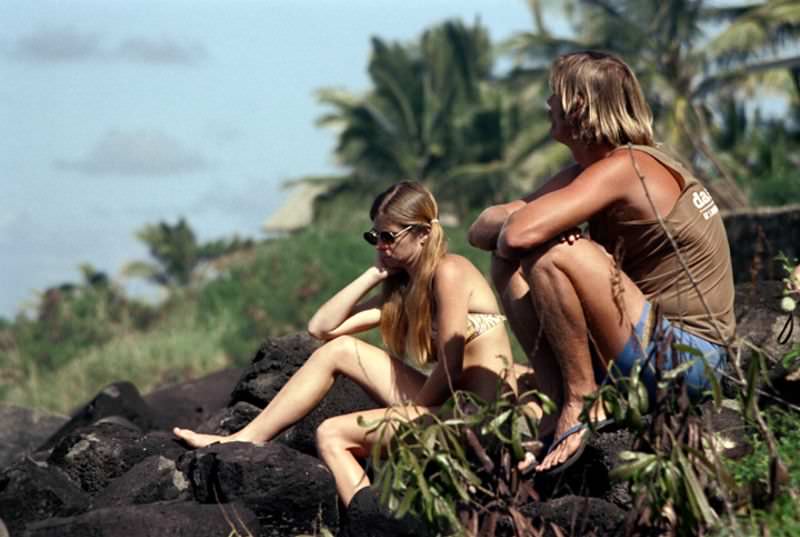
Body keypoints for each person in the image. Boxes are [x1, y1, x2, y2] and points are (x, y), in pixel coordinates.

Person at [468, 51, 736, 474]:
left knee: (555, 254)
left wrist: (539, 229)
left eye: (554, 95)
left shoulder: (627, 167)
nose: (547, 104)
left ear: (578, 106)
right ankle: (560, 403)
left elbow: (517, 232)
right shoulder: (593, 170)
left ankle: (582, 400)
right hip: (645, 344)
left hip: (689, 362)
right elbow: (483, 228)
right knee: (516, 257)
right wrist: (527, 224)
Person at [174, 181, 516, 506]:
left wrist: (411, 413)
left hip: (479, 418)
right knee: (338, 351)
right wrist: (374, 275)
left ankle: (373, 523)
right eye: (374, 236)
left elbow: (452, 363)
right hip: (441, 408)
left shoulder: (451, 271)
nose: (381, 245)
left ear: (424, 234)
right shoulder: (403, 294)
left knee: (331, 434)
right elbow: (322, 327)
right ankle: (248, 437)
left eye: (389, 236)